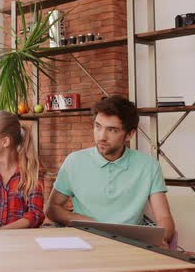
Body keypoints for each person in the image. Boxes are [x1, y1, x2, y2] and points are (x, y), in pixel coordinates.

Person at [45, 95, 175, 245]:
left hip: (131, 245)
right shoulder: (74, 161)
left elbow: (164, 217)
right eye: (98, 126)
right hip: (87, 242)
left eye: (112, 130)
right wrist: (87, 222)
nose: (101, 137)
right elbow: (52, 208)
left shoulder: (148, 165)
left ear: (130, 134)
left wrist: (162, 239)